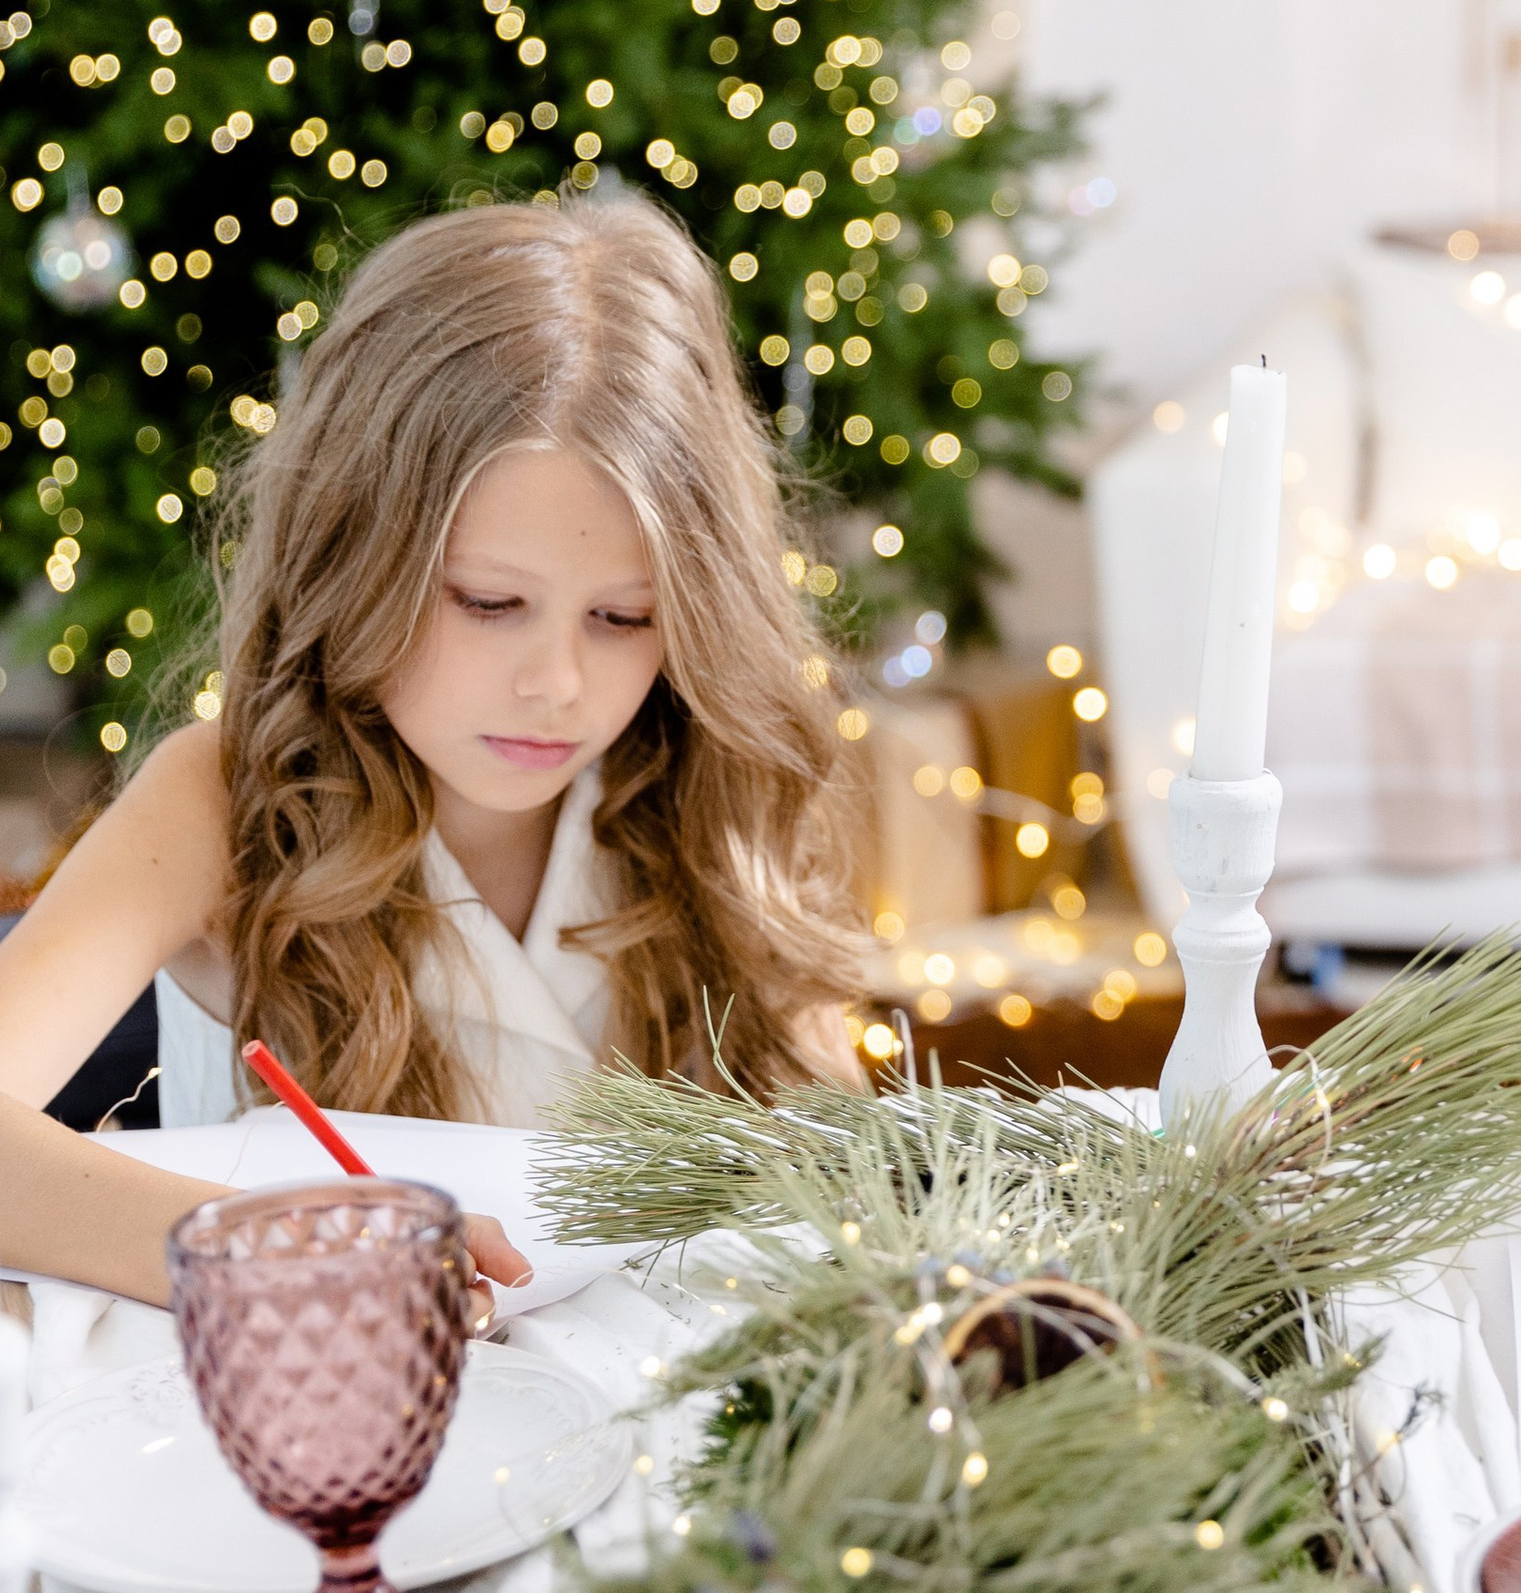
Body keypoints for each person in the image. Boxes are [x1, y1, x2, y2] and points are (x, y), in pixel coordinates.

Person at [0, 192, 872, 1315]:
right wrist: (274, 1248)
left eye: (623, 617)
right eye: (488, 601)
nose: (556, 682)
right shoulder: (223, 801)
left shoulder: (712, 794)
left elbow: (850, 1185)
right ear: (353, 556)